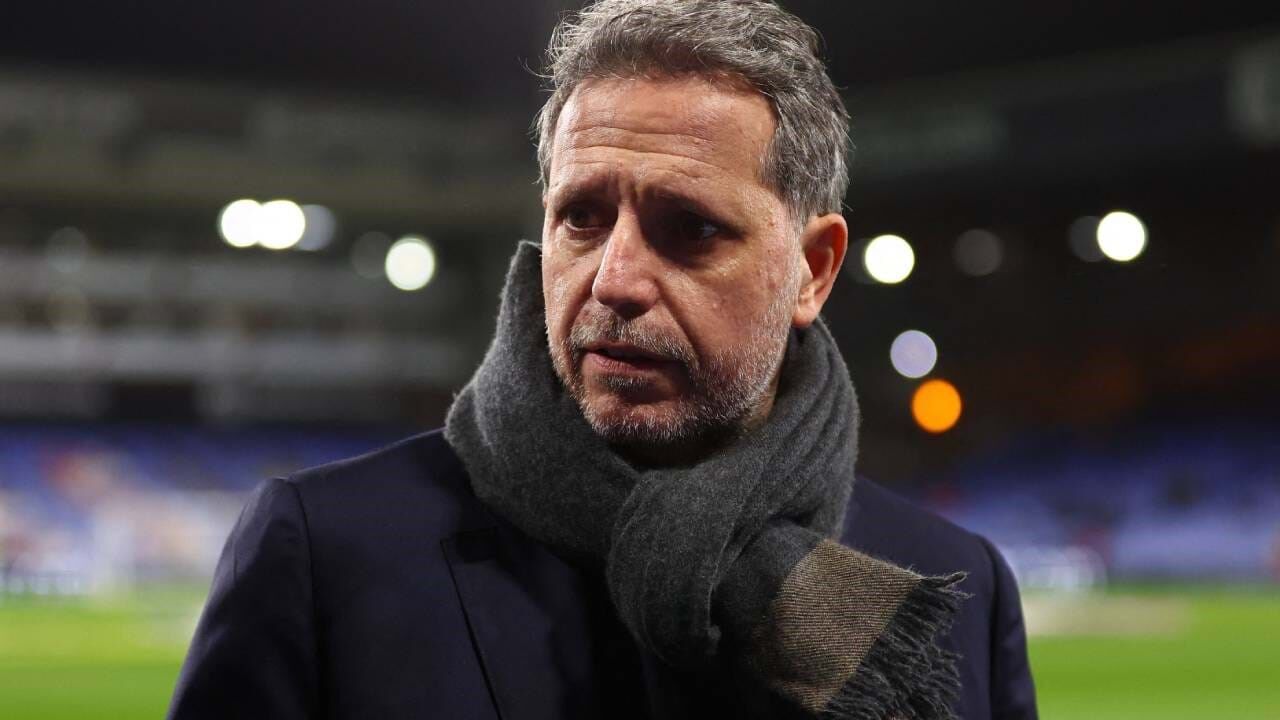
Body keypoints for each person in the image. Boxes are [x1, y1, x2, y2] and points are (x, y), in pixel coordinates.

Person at [167, 1, 1037, 718]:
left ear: (812, 270)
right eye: (581, 217)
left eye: (690, 228)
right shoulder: (325, 554)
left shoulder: (948, 598)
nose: (614, 279)